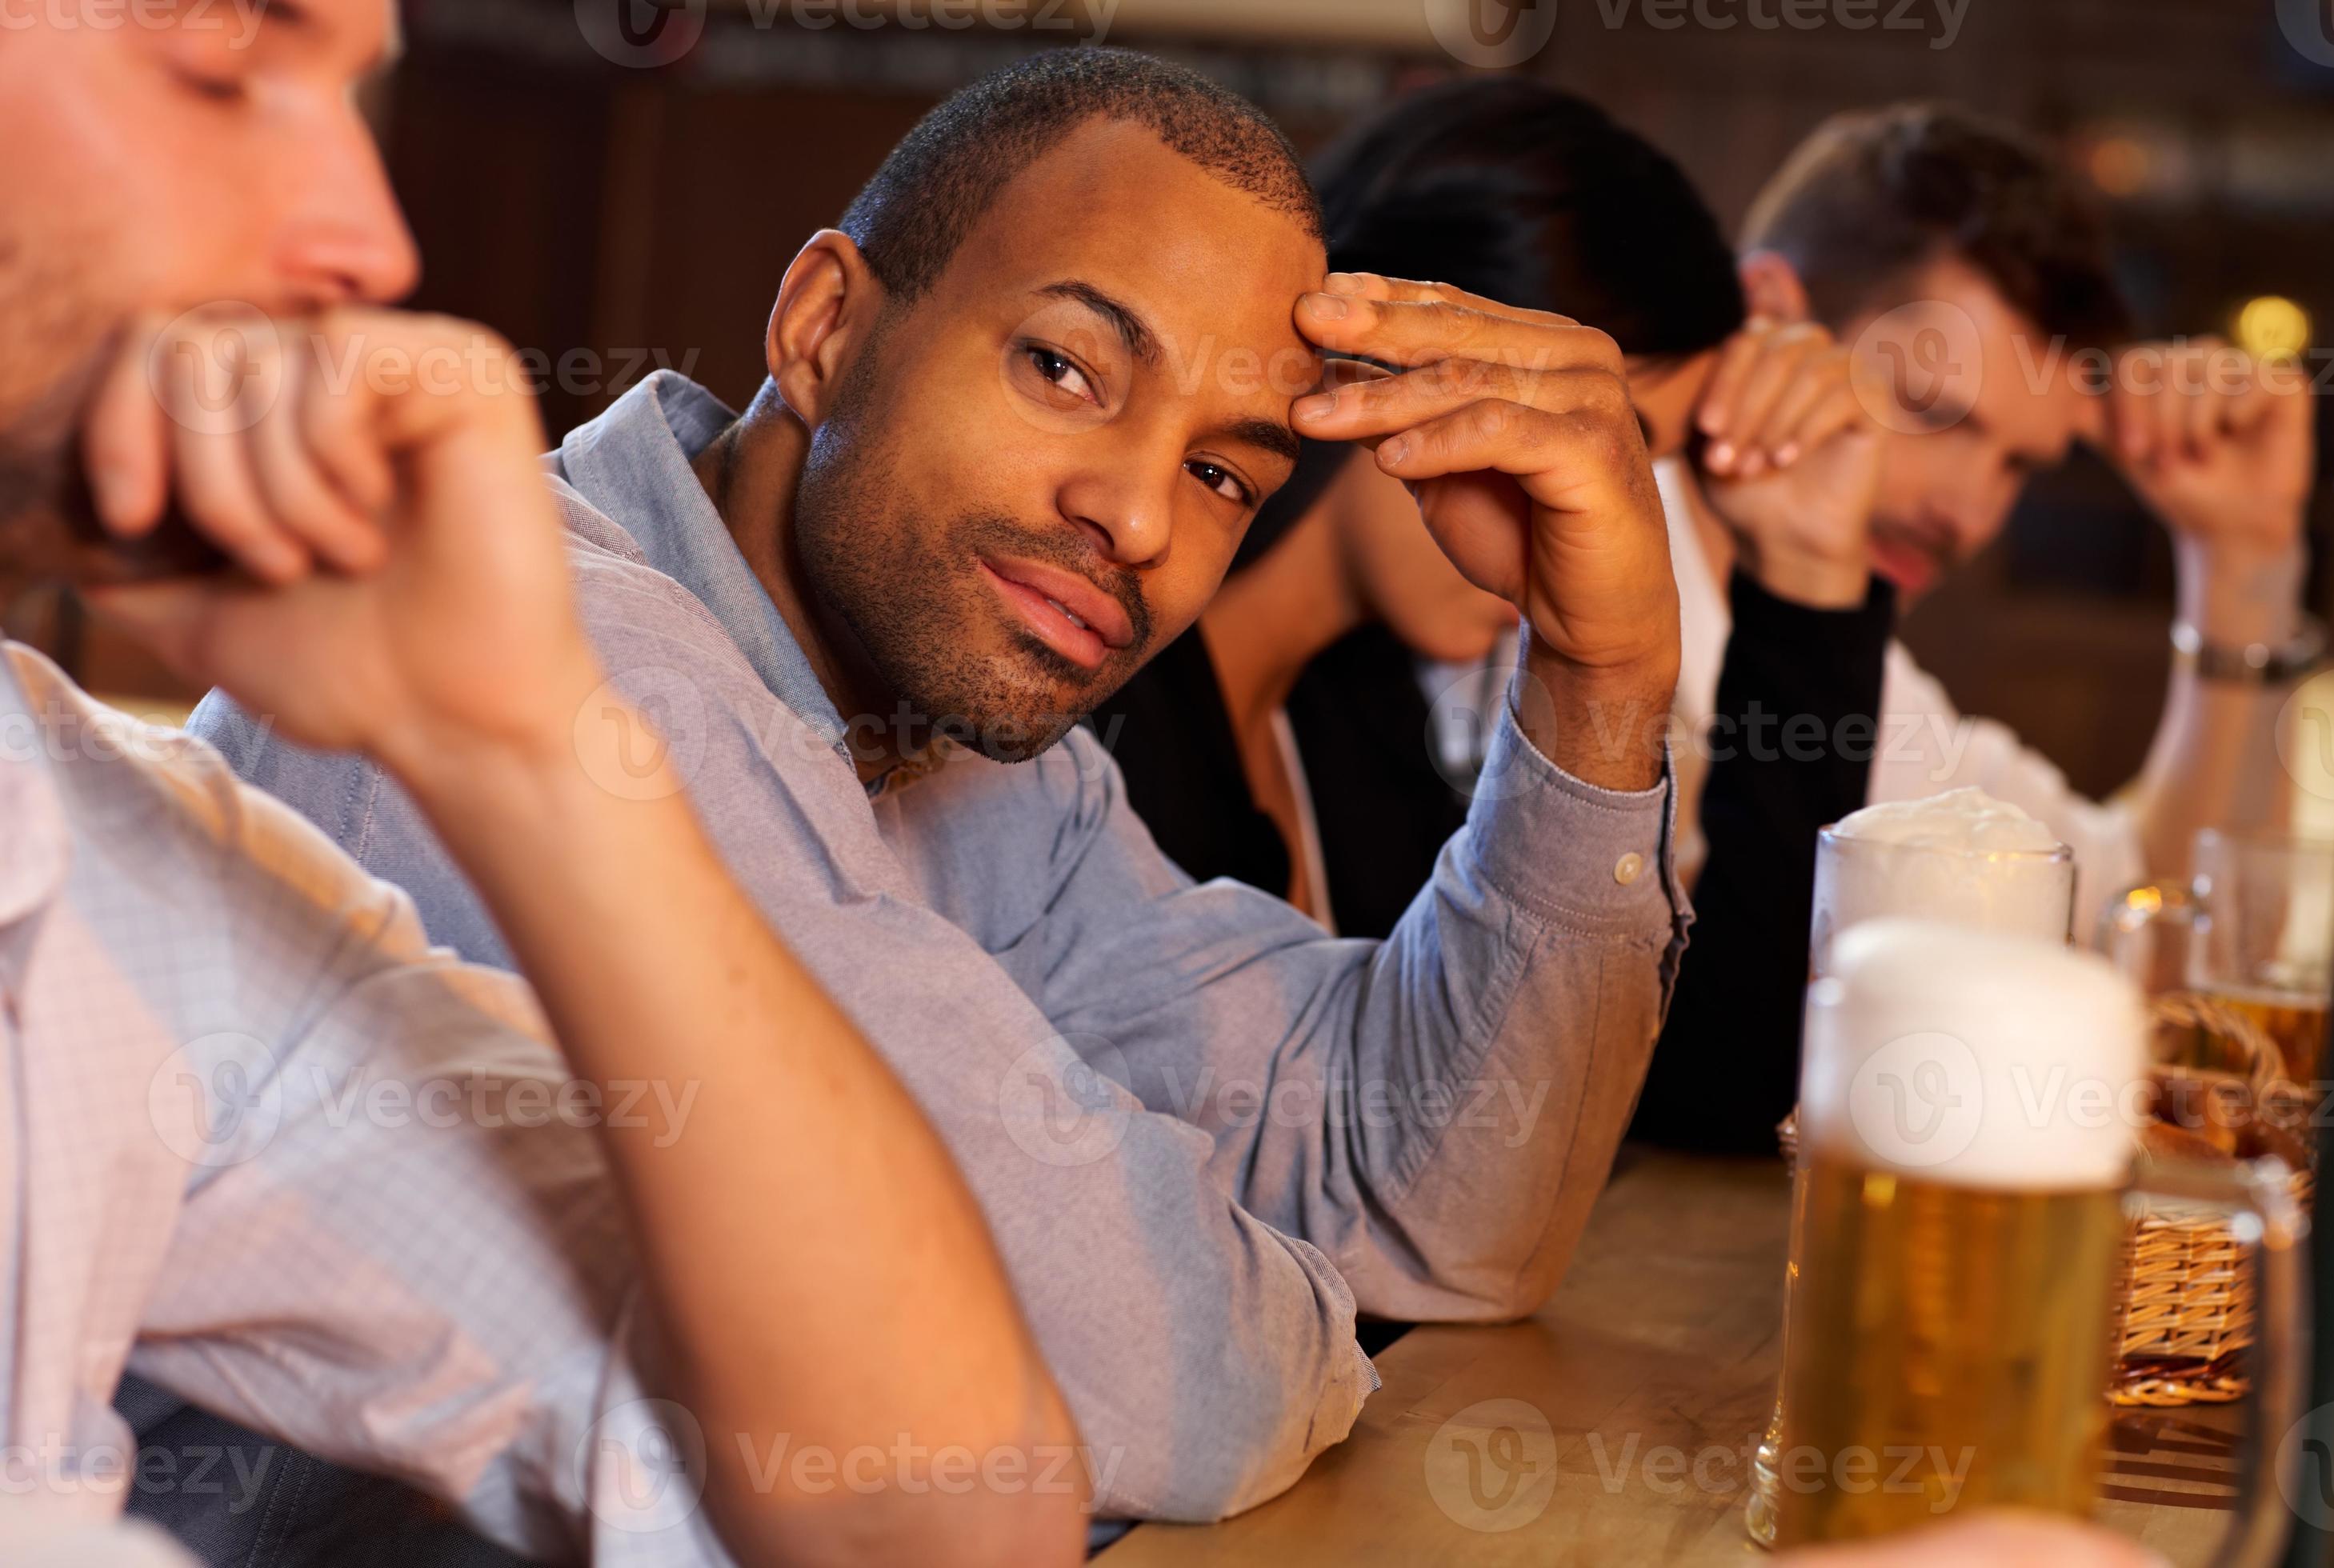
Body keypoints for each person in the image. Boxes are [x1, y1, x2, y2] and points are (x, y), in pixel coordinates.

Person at [194, 45, 1694, 1534]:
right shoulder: (561, 649)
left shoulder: (958, 737)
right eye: (1063, 369)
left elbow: (1443, 1195)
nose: (1135, 516)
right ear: (825, 325)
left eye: (1224, 475)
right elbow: (1172, 1384)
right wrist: (1293, 1293)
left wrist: (1599, 671)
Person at [0, 5, 1085, 1565]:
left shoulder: (101, 868)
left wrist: (523, 740)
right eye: (224, 60)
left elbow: (926, 1509)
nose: (369, 240)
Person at [1089, 80, 1892, 965]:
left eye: (1640, 473)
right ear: (1420, 340)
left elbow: (1635, 1092)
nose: (1605, 519)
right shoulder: (1082, 706)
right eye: (1596, 445)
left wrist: (1808, 572)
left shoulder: (1368, 731)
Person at [1689, 102, 2317, 937]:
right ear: (1767, 312)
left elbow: (2149, 928)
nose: (1968, 514)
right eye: (1931, 412)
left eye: (2017, 464)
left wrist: (2245, 556)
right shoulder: (1559, 592)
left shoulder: (1859, 686)